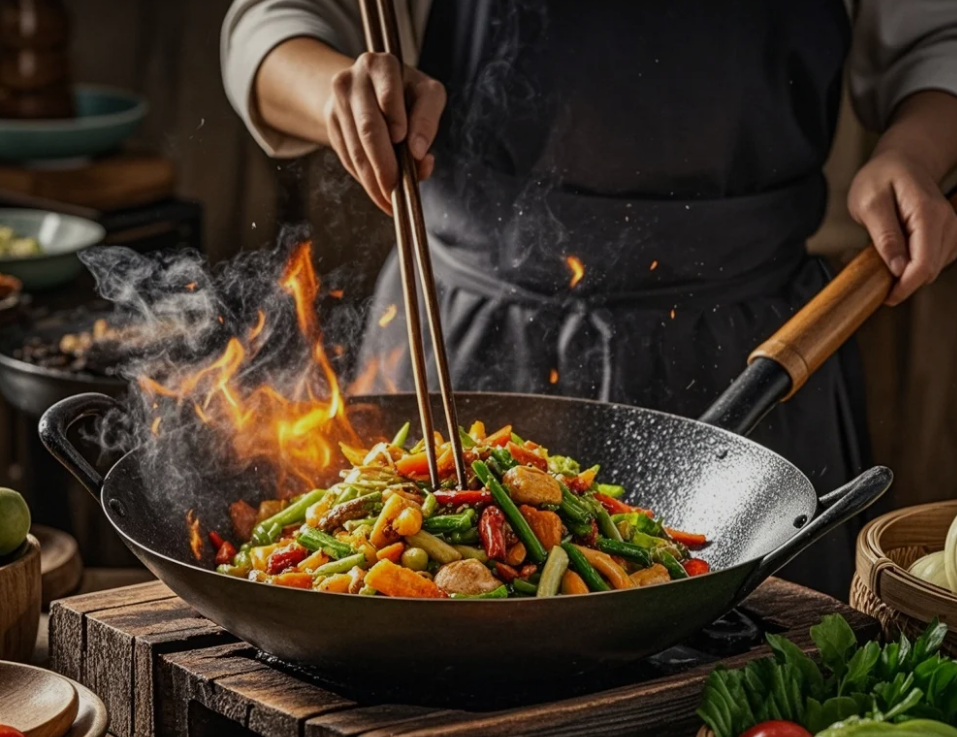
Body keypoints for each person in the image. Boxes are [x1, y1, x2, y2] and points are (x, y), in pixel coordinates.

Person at [221, 1, 957, 597]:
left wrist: (911, 153)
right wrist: (339, 93)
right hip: (466, 336)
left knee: (766, 674)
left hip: (754, 334)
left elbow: (937, 36)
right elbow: (268, 25)